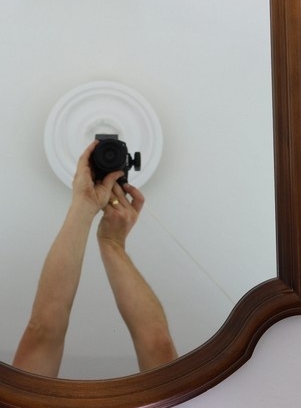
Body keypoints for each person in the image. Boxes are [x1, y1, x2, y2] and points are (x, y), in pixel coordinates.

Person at [12, 139, 177, 377]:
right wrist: (112, 243)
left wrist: (84, 207)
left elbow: (44, 330)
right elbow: (157, 343)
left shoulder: (23, 399)